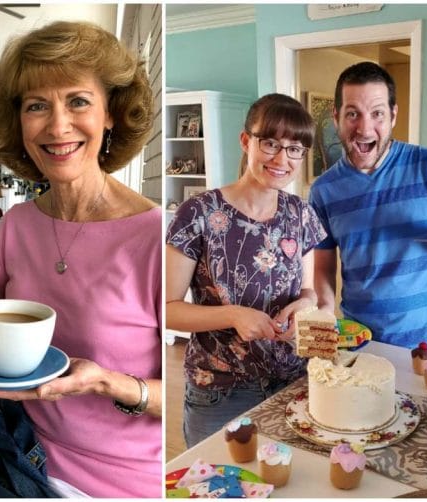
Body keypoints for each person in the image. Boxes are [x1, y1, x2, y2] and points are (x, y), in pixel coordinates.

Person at [0, 21, 161, 498]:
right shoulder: (18, 223)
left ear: (111, 114)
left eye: (78, 101)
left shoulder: (157, 236)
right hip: (9, 438)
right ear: (19, 123)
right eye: (37, 105)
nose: (58, 126)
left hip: (114, 478)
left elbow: (188, 392)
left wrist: (107, 383)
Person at [166, 94, 326, 448]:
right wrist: (233, 315)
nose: (283, 159)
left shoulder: (302, 214)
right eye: (270, 143)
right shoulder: (198, 213)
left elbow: (309, 291)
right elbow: (167, 309)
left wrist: (305, 307)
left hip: (294, 381)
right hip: (221, 390)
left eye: (296, 148)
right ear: (246, 141)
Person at [309, 62, 427, 357]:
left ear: (393, 115)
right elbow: (323, 268)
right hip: (361, 347)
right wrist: (325, 313)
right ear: (336, 117)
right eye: (352, 113)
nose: (365, 128)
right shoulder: (322, 190)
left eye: (377, 113)